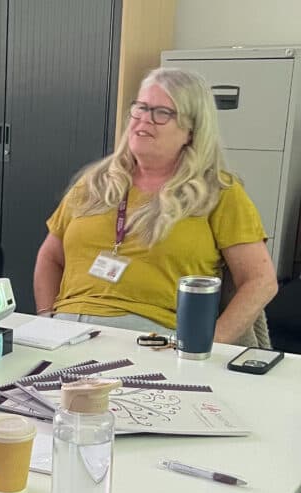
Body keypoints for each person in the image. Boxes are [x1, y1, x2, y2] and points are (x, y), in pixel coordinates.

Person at [33, 67, 277, 344]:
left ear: (191, 132)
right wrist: (45, 319)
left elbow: (261, 281)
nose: (144, 120)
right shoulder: (94, 183)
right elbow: (50, 257)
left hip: (152, 336)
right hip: (67, 329)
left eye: (162, 113)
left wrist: (212, 343)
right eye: (141, 108)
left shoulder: (219, 192)